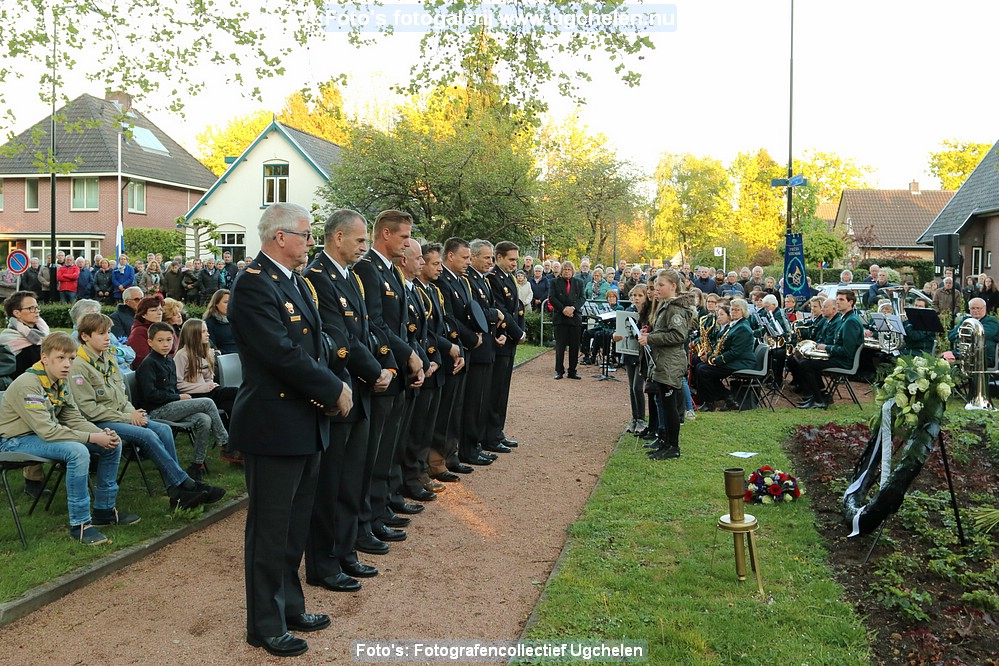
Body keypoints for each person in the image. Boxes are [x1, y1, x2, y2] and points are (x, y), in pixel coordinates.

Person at [228, 202, 350, 657]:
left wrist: (330, 380)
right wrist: (334, 387)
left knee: (294, 525)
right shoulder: (254, 286)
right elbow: (280, 354)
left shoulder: (293, 281)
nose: (310, 242)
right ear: (280, 236)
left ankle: (289, 605)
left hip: (304, 419)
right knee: (270, 529)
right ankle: (263, 624)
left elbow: (314, 343)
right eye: (305, 234)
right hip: (274, 423)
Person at [303, 209, 393, 592]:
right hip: (339, 390)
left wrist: (382, 366)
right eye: (359, 241)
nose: (364, 247)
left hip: (360, 389)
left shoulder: (351, 278)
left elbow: (367, 329)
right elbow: (340, 339)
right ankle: (324, 563)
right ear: (338, 237)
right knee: (331, 483)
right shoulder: (318, 279)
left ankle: (345, 550)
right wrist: (376, 371)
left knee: (352, 476)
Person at [71, 313, 225, 511]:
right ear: (85, 337)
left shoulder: (107, 358)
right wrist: (129, 417)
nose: (108, 337)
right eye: (101, 333)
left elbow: (121, 397)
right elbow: (89, 410)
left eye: (108, 332)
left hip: (121, 416)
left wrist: (134, 413)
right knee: (147, 435)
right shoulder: (80, 366)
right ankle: (185, 484)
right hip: (98, 423)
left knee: (163, 430)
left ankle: (177, 493)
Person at [0, 332, 138, 544]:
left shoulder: (60, 381)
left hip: (38, 436)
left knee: (112, 442)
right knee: (78, 451)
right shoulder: (29, 383)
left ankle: (105, 510)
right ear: (45, 358)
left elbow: (73, 418)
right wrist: (92, 436)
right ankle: (80, 524)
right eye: (60, 358)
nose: (67, 364)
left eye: (71, 358)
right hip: (13, 441)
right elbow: (48, 431)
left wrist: (101, 434)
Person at [639, 269, 690, 460]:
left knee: (670, 407)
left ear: (673, 286)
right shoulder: (665, 305)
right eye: (656, 285)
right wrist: (650, 332)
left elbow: (678, 335)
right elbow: (664, 330)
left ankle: (673, 446)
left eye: (661, 285)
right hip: (662, 360)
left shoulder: (675, 308)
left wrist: (651, 338)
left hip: (671, 362)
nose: (657, 289)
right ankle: (665, 442)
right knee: (663, 403)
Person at [796, 289, 864, 409]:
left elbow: (847, 351)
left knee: (806, 365)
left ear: (851, 302)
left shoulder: (851, 321)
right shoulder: (845, 319)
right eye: (837, 299)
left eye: (842, 300)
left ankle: (819, 399)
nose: (838, 302)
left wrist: (826, 348)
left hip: (844, 362)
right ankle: (821, 396)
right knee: (806, 361)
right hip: (838, 358)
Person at [174, 318, 238, 428]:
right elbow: (178, 384)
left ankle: (231, 440)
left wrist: (210, 383)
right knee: (237, 392)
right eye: (203, 332)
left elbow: (208, 378)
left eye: (206, 331)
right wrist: (204, 387)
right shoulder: (182, 355)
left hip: (209, 391)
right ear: (193, 334)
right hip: (195, 395)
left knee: (231, 406)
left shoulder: (205, 352)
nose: (207, 334)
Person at [694, 298, 756, 411]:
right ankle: (726, 398)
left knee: (704, 370)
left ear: (743, 312)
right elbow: (722, 346)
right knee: (700, 367)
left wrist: (715, 360)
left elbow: (735, 352)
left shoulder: (743, 328)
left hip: (742, 362)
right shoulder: (734, 325)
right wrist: (709, 356)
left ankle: (710, 402)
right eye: (732, 309)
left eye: (737, 310)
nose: (733, 312)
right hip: (734, 360)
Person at [615, 283, 648, 433]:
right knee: (631, 387)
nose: (636, 298)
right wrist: (615, 336)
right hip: (628, 352)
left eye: (640, 295)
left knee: (637, 386)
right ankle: (634, 418)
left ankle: (641, 419)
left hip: (642, 354)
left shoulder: (648, 313)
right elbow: (620, 330)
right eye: (634, 295)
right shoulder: (628, 311)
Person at [548, 260, 585, 380]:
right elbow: (552, 298)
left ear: (573, 271)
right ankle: (559, 370)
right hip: (560, 317)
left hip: (575, 318)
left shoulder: (579, 282)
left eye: (569, 269)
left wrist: (573, 308)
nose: (567, 271)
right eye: (565, 269)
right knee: (560, 346)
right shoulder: (554, 282)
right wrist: (563, 309)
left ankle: (572, 371)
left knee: (575, 346)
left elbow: (582, 298)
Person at [947, 297, 999, 368]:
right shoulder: (965, 320)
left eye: (978, 308)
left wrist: (962, 333)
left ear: (984, 308)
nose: (975, 311)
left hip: (983, 357)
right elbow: (951, 336)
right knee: (943, 358)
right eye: (972, 308)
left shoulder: (992, 322)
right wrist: (965, 334)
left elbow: (978, 335)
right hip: (963, 354)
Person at [127, 295, 173, 370]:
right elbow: (142, 360)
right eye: (154, 310)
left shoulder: (165, 328)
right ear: (143, 314)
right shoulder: (139, 332)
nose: (159, 313)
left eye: (161, 310)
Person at [204, 289, 237, 354]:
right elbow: (211, 347)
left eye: (231, 302)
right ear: (216, 303)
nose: (229, 305)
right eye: (226, 302)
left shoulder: (237, 320)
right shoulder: (209, 322)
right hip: (223, 358)